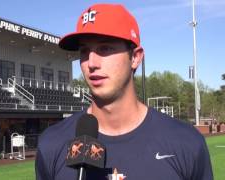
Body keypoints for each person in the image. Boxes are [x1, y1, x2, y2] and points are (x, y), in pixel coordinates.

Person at [35, 3, 213, 180]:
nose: (91, 63)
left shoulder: (186, 142)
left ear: (135, 58)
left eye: (105, 48)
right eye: (84, 51)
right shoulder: (52, 144)